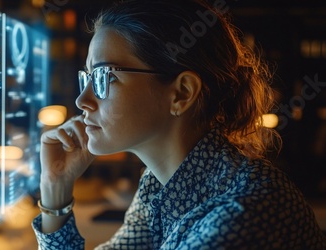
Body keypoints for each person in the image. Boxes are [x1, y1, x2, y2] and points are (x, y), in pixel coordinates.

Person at [32, 0, 326, 248]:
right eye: (88, 78)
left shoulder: (234, 221)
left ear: (181, 93)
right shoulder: (161, 185)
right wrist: (55, 188)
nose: (82, 100)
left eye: (103, 78)